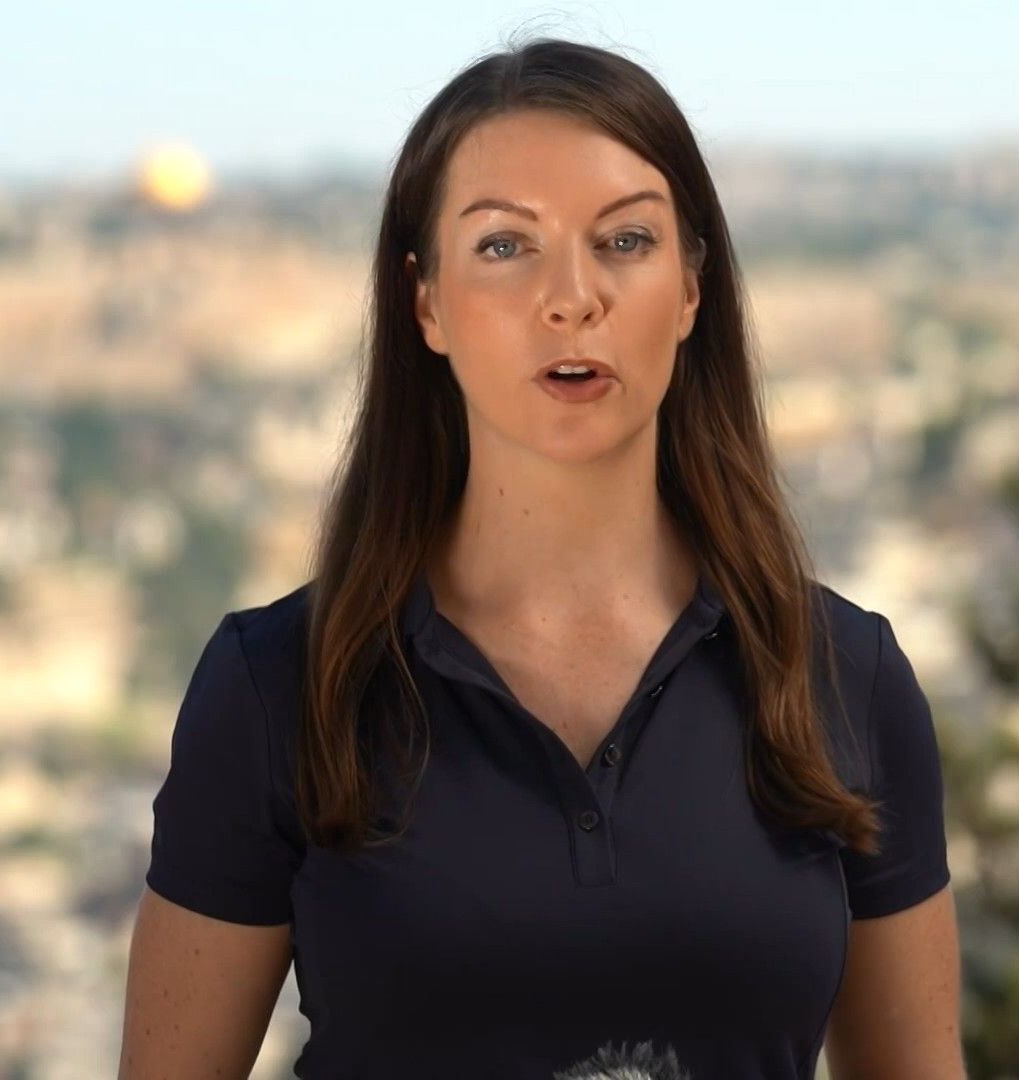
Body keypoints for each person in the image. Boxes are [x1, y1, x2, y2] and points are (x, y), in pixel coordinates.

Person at [120, 34, 961, 1080]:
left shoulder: (846, 678)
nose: (572, 298)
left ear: (691, 290)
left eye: (625, 240)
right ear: (426, 302)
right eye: (506, 246)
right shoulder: (278, 687)